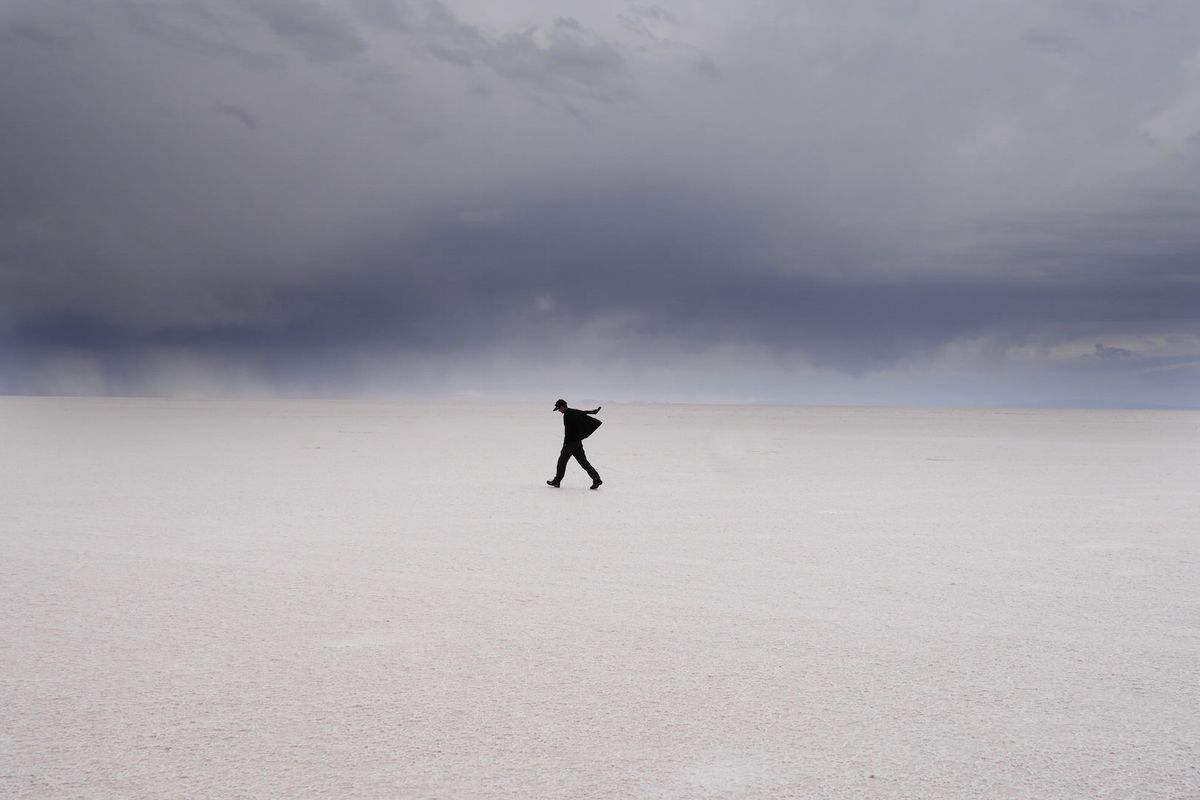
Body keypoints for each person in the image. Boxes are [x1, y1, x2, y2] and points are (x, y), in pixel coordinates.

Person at [547, 399, 603, 489]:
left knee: (562, 461)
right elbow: (584, 412)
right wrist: (594, 412)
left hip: (570, 443)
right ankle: (596, 479)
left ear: (562, 406)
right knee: (583, 462)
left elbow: (568, 431)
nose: (559, 411)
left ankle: (557, 481)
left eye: (558, 408)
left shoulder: (567, 415)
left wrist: (566, 444)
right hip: (577, 442)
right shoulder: (573, 411)